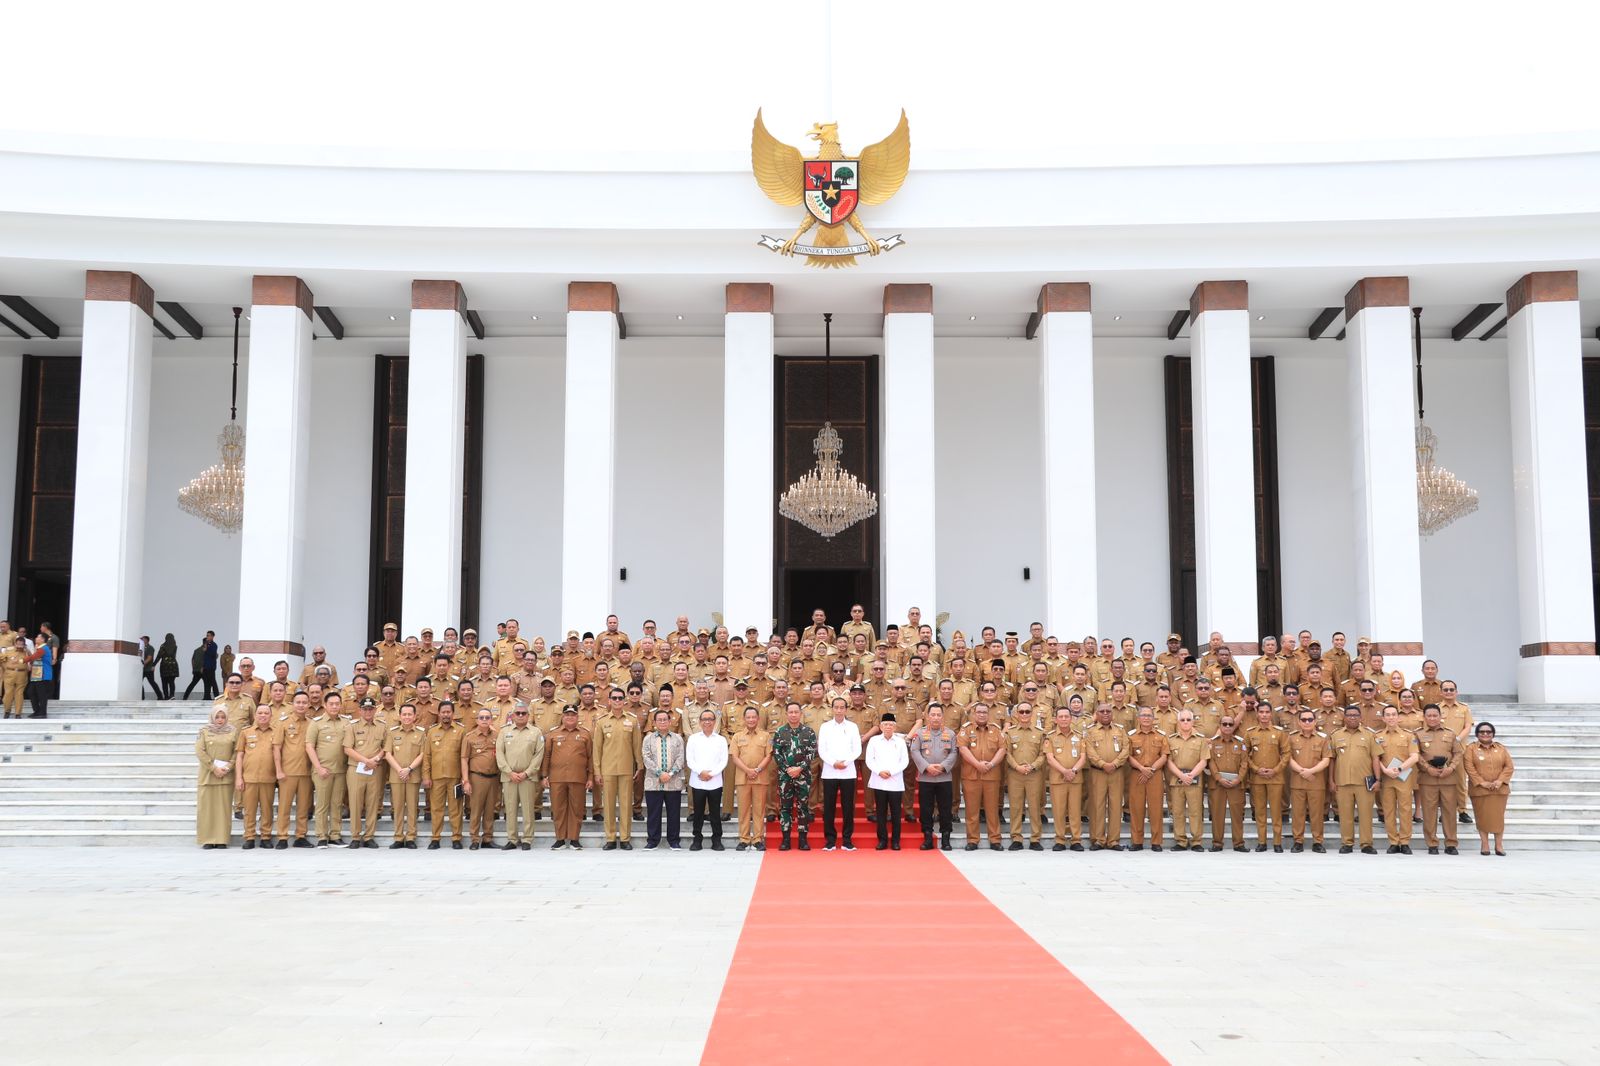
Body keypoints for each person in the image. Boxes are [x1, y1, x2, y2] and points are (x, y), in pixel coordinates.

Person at [592, 688, 642, 850]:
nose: (617, 700)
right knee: (609, 805)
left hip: (626, 769)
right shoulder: (602, 721)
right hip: (608, 770)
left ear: (624, 700)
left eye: (620, 698)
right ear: (609, 700)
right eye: (614, 698)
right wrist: (597, 771)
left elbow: (636, 746)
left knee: (626, 805)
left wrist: (639, 766)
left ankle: (625, 838)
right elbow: (597, 749)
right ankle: (611, 838)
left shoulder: (632, 721)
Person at [1330, 706, 1379, 854]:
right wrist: (1331, 781)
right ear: (1344, 718)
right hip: (1342, 781)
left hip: (1365, 782)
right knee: (1345, 815)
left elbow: (1375, 757)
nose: (1352, 718)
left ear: (1360, 717)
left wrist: (1378, 779)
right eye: (1349, 715)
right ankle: (1347, 843)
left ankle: (1366, 844)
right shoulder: (1336, 735)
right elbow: (1331, 759)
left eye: (1355, 715)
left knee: (1366, 815)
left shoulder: (1369, 735)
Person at [957, 703, 1006, 851]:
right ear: (973, 713)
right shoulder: (966, 729)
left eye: (985, 712)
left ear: (988, 714)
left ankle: (995, 839)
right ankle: (972, 840)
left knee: (992, 810)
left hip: (992, 775)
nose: (982, 715)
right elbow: (963, 749)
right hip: (971, 776)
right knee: (972, 810)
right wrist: (977, 764)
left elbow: (1002, 749)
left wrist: (990, 765)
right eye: (979, 712)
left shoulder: (996, 730)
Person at [1416, 704, 1463, 855]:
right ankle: (1432, 843)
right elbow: (1416, 754)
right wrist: (1427, 768)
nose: (1432, 718)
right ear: (1424, 717)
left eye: (1435, 715)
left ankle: (1451, 843)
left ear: (1440, 716)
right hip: (1427, 778)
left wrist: (1451, 768)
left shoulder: (1450, 734)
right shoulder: (1417, 734)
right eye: (1428, 716)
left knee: (1449, 812)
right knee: (1429, 813)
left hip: (1448, 778)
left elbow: (1458, 753)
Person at [817, 696, 863, 851]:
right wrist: (833, 763)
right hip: (830, 772)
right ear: (832, 709)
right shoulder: (825, 727)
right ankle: (830, 840)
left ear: (846, 709)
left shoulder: (852, 727)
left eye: (842, 707)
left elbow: (857, 749)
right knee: (829, 807)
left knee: (848, 807)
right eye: (836, 707)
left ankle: (847, 840)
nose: (838, 710)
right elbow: (822, 750)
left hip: (848, 772)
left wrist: (846, 762)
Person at [496, 706, 545, 851]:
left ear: (528, 715)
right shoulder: (505, 731)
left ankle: (527, 839)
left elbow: (538, 755)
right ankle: (512, 839)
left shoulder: (536, 732)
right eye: (518, 713)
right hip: (509, 777)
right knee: (510, 810)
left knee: (528, 809)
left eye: (524, 713)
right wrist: (509, 772)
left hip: (528, 778)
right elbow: (499, 753)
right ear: (513, 715)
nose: (521, 715)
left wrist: (527, 773)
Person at [910, 704, 958, 851]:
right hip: (926, 778)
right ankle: (928, 838)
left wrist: (943, 767)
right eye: (933, 714)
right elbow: (915, 751)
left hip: (944, 777)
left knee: (945, 809)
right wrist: (927, 767)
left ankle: (945, 838)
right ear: (927, 716)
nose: (936, 717)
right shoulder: (919, 733)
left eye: (938, 715)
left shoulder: (950, 734)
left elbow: (954, 753)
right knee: (926, 809)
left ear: (942, 717)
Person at [342, 698, 388, 849]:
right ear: (360, 710)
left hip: (375, 769)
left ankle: (369, 836)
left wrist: (375, 759)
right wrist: (365, 761)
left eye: (370, 709)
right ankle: (355, 836)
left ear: (375, 710)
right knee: (355, 803)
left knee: (372, 803)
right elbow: (347, 749)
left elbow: (386, 747)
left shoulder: (382, 726)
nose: (368, 712)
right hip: (356, 769)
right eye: (365, 709)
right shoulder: (352, 726)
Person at [1374, 705, 1421, 854]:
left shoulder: (1408, 735)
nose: (1391, 717)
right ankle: (1393, 841)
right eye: (1387, 715)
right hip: (1386, 778)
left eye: (1394, 714)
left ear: (1398, 717)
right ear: (1383, 718)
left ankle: (1405, 841)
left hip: (1403, 778)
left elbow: (1415, 756)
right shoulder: (1378, 736)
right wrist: (1385, 770)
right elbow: (1375, 758)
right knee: (1389, 811)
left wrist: (1400, 769)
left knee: (1405, 810)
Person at [771, 702, 818, 851]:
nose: (793, 714)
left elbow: (812, 753)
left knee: (803, 807)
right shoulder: (779, 732)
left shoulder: (809, 732)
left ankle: (803, 840)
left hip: (803, 775)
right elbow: (777, 754)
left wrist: (799, 768)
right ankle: (786, 840)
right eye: (790, 712)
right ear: (786, 714)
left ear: (800, 714)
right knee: (785, 807)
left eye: (796, 712)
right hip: (785, 776)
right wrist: (788, 769)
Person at [271, 691, 315, 848]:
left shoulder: (312, 723)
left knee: (303, 806)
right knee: (284, 806)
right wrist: (278, 770)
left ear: (309, 704)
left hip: (306, 772)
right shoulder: (283, 723)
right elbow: (276, 748)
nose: (301, 705)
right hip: (287, 772)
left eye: (304, 702)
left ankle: (300, 836)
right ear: (293, 704)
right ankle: (282, 836)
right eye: (298, 702)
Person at [422, 700, 468, 849]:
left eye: (448, 712)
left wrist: (464, 777)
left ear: (453, 714)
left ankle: (456, 838)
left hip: (455, 777)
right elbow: (427, 756)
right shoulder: (432, 731)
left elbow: (464, 756)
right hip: (436, 778)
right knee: (436, 809)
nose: (446, 715)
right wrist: (426, 776)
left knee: (456, 809)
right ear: (439, 714)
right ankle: (435, 838)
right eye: (443, 712)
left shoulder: (461, 731)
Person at [1084, 704, 1130, 850]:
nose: (1105, 714)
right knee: (1097, 805)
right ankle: (1098, 839)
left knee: (1115, 806)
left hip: (1116, 772)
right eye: (1102, 711)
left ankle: (1113, 840)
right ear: (1096, 714)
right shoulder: (1090, 731)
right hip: (1098, 772)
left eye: (1108, 711)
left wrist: (1115, 764)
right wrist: (1103, 764)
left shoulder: (1120, 730)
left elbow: (1126, 749)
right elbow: (1089, 750)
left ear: (1112, 714)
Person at [305, 691, 348, 845]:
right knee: (322, 804)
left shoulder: (346, 722)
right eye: (331, 704)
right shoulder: (316, 723)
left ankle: (335, 835)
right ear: (325, 705)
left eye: (337, 704)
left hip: (341, 770)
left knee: (337, 804)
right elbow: (309, 746)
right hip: (323, 770)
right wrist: (319, 767)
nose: (335, 706)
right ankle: (322, 836)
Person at [233, 704, 278, 849]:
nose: (263, 715)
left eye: (266, 713)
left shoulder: (277, 732)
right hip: (249, 778)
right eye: (260, 713)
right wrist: (239, 777)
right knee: (249, 810)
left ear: (271, 716)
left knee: (267, 809)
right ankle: (249, 836)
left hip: (268, 778)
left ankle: (266, 836)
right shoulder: (246, 732)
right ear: (255, 715)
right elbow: (239, 755)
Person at [1286, 707, 1331, 853]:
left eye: (1310, 719)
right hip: (1297, 782)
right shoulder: (1292, 738)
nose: (1307, 722)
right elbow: (1288, 758)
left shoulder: (1322, 739)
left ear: (1315, 721)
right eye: (1304, 720)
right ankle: (1298, 841)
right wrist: (1301, 771)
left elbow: (1326, 759)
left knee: (1317, 814)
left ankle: (1317, 841)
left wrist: (1311, 771)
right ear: (1299, 722)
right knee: (1298, 813)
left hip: (1316, 782)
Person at [1466, 723, 1515, 856]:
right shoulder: (1471, 749)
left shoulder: (1501, 748)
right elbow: (1469, 768)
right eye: (1481, 732)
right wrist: (1482, 783)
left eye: (1488, 731)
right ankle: (1485, 844)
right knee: (1482, 817)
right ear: (1477, 734)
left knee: (1498, 817)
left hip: (1499, 790)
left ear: (1493, 733)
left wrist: (1500, 781)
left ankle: (1499, 845)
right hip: (1480, 790)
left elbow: (1509, 766)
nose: (1485, 734)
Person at [730, 706, 774, 852]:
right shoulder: (737, 736)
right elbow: (734, 757)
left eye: (753, 717)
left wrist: (757, 770)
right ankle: (743, 839)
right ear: (744, 719)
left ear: (758, 719)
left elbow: (769, 755)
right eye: (748, 717)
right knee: (743, 810)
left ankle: (757, 839)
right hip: (743, 778)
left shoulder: (766, 736)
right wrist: (748, 770)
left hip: (760, 778)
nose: (751, 720)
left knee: (759, 810)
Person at [1003, 704, 1047, 851]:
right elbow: (1007, 753)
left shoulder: (1039, 732)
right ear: (1016, 713)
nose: (1024, 714)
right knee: (1016, 807)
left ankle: (1035, 838)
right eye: (1021, 711)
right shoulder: (1010, 732)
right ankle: (1016, 837)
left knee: (1034, 806)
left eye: (1027, 711)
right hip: (1015, 773)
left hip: (1034, 774)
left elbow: (1043, 754)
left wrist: (1033, 766)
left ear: (1032, 713)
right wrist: (1017, 767)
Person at [642, 708, 686, 850]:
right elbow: (646, 757)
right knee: (653, 812)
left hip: (673, 782)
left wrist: (671, 773)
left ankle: (674, 840)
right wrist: (660, 773)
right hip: (653, 782)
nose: (662, 722)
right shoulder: (648, 738)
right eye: (659, 720)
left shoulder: (678, 738)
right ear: (654, 722)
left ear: (670, 721)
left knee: (674, 812)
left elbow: (681, 757)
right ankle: (653, 840)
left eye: (665, 719)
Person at [1126, 708, 1169, 851]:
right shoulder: (1131, 736)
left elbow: (1164, 755)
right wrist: (1142, 769)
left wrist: (1151, 769)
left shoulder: (1161, 736)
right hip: (1137, 774)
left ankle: (1156, 842)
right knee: (1136, 808)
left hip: (1155, 774)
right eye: (1143, 715)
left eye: (1149, 716)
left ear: (1153, 718)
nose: (1146, 718)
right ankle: (1137, 841)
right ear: (1138, 718)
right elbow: (1128, 755)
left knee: (1156, 809)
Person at [386, 704, 428, 849]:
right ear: (399, 716)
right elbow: (387, 753)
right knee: (397, 807)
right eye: (404, 714)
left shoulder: (421, 733)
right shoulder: (392, 732)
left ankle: (411, 837)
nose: (407, 717)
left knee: (412, 807)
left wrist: (409, 769)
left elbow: (423, 754)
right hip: (396, 775)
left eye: (410, 714)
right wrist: (400, 770)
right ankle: (398, 837)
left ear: (415, 716)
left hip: (413, 775)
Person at [686, 710, 730, 851]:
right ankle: (697, 839)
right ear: (699, 722)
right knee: (698, 813)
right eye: (704, 719)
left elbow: (724, 760)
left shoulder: (721, 740)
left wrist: (712, 773)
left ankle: (716, 839)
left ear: (714, 721)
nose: (707, 722)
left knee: (715, 813)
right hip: (698, 780)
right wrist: (701, 772)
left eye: (710, 719)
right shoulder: (693, 739)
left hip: (715, 781)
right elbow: (690, 760)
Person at [1165, 710, 1208, 851]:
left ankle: (1196, 841)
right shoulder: (1171, 739)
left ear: (1193, 721)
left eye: (1188, 719)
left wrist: (1190, 776)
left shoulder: (1201, 739)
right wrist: (1181, 776)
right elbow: (1169, 761)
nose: (1185, 722)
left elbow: (1204, 761)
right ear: (1178, 722)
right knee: (1178, 812)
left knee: (1195, 811)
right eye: (1182, 720)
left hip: (1194, 780)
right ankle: (1181, 840)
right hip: (1177, 780)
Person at [865, 713, 909, 850]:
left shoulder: (900, 741)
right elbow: (869, 760)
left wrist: (892, 772)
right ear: (880, 726)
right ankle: (882, 840)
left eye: (891, 724)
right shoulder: (874, 741)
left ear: (895, 727)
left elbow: (905, 761)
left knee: (896, 813)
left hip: (895, 781)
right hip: (879, 781)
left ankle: (896, 841)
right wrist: (879, 771)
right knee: (881, 812)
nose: (888, 727)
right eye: (885, 724)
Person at [195, 706, 237, 848]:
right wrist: (213, 768)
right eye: (217, 717)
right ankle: (207, 840)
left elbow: (237, 751)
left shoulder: (233, 731)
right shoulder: (204, 731)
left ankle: (221, 839)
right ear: (212, 717)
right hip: (208, 775)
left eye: (223, 717)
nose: (220, 720)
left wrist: (229, 766)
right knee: (207, 809)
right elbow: (200, 751)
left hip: (225, 775)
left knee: (223, 810)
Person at [1207, 717, 1250, 852]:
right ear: (1220, 726)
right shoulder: (1212, 743)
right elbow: (1211, 762)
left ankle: (1238, 843)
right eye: (1224, 724)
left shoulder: (1240, 743)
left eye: (1230, 724)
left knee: (1237, 815)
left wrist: (1239, 779)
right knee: (1217, 814)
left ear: (1233, 726)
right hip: (1218, 784)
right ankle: (1217, 843)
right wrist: (1219, 778)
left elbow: (1244, 763)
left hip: (1236, 784)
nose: (1227, 726)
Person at [461, 708, 501, 850]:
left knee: (491, 810)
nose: (484, 720)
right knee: (476, 809)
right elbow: (464, 759)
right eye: (482, 717)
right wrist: (466, 780)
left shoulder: (498, 735)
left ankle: (488, 838)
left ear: (491, 720)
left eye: (487, 717)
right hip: (477, 777)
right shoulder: (469, 737)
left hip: (494, 778)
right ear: (477, 720)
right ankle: (475, 839)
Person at [24, 633, 54, 719]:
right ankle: (37, 711)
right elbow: (34, 658)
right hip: (37, 675)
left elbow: (33, 657)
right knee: (31, 692)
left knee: (42, 695)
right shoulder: (39, 648)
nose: (36, 638)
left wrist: (21, 660)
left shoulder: (43, 648)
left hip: (43, 675)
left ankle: (42, 712)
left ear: (43, 639)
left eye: (38, 637)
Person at [157, 633, 180, 699]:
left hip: (164, 665)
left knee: (164, 682)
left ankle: (166, 696)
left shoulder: (163, 646)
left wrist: (154, 664)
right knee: (172, 681)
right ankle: (172, 695)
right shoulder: (175, 646)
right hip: (173, 665)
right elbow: (173, 655)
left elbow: (159, 656)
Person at [138, 635, 162, 699]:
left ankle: (160, 697)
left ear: (146, 640)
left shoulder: (150, 648)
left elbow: (149, 658)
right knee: (139, 683)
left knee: (152, 683)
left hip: (148, 669)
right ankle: (142, 697)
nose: (141, 641)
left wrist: (143, 663)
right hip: (142, 670)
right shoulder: (141, 648)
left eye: (142, 639)